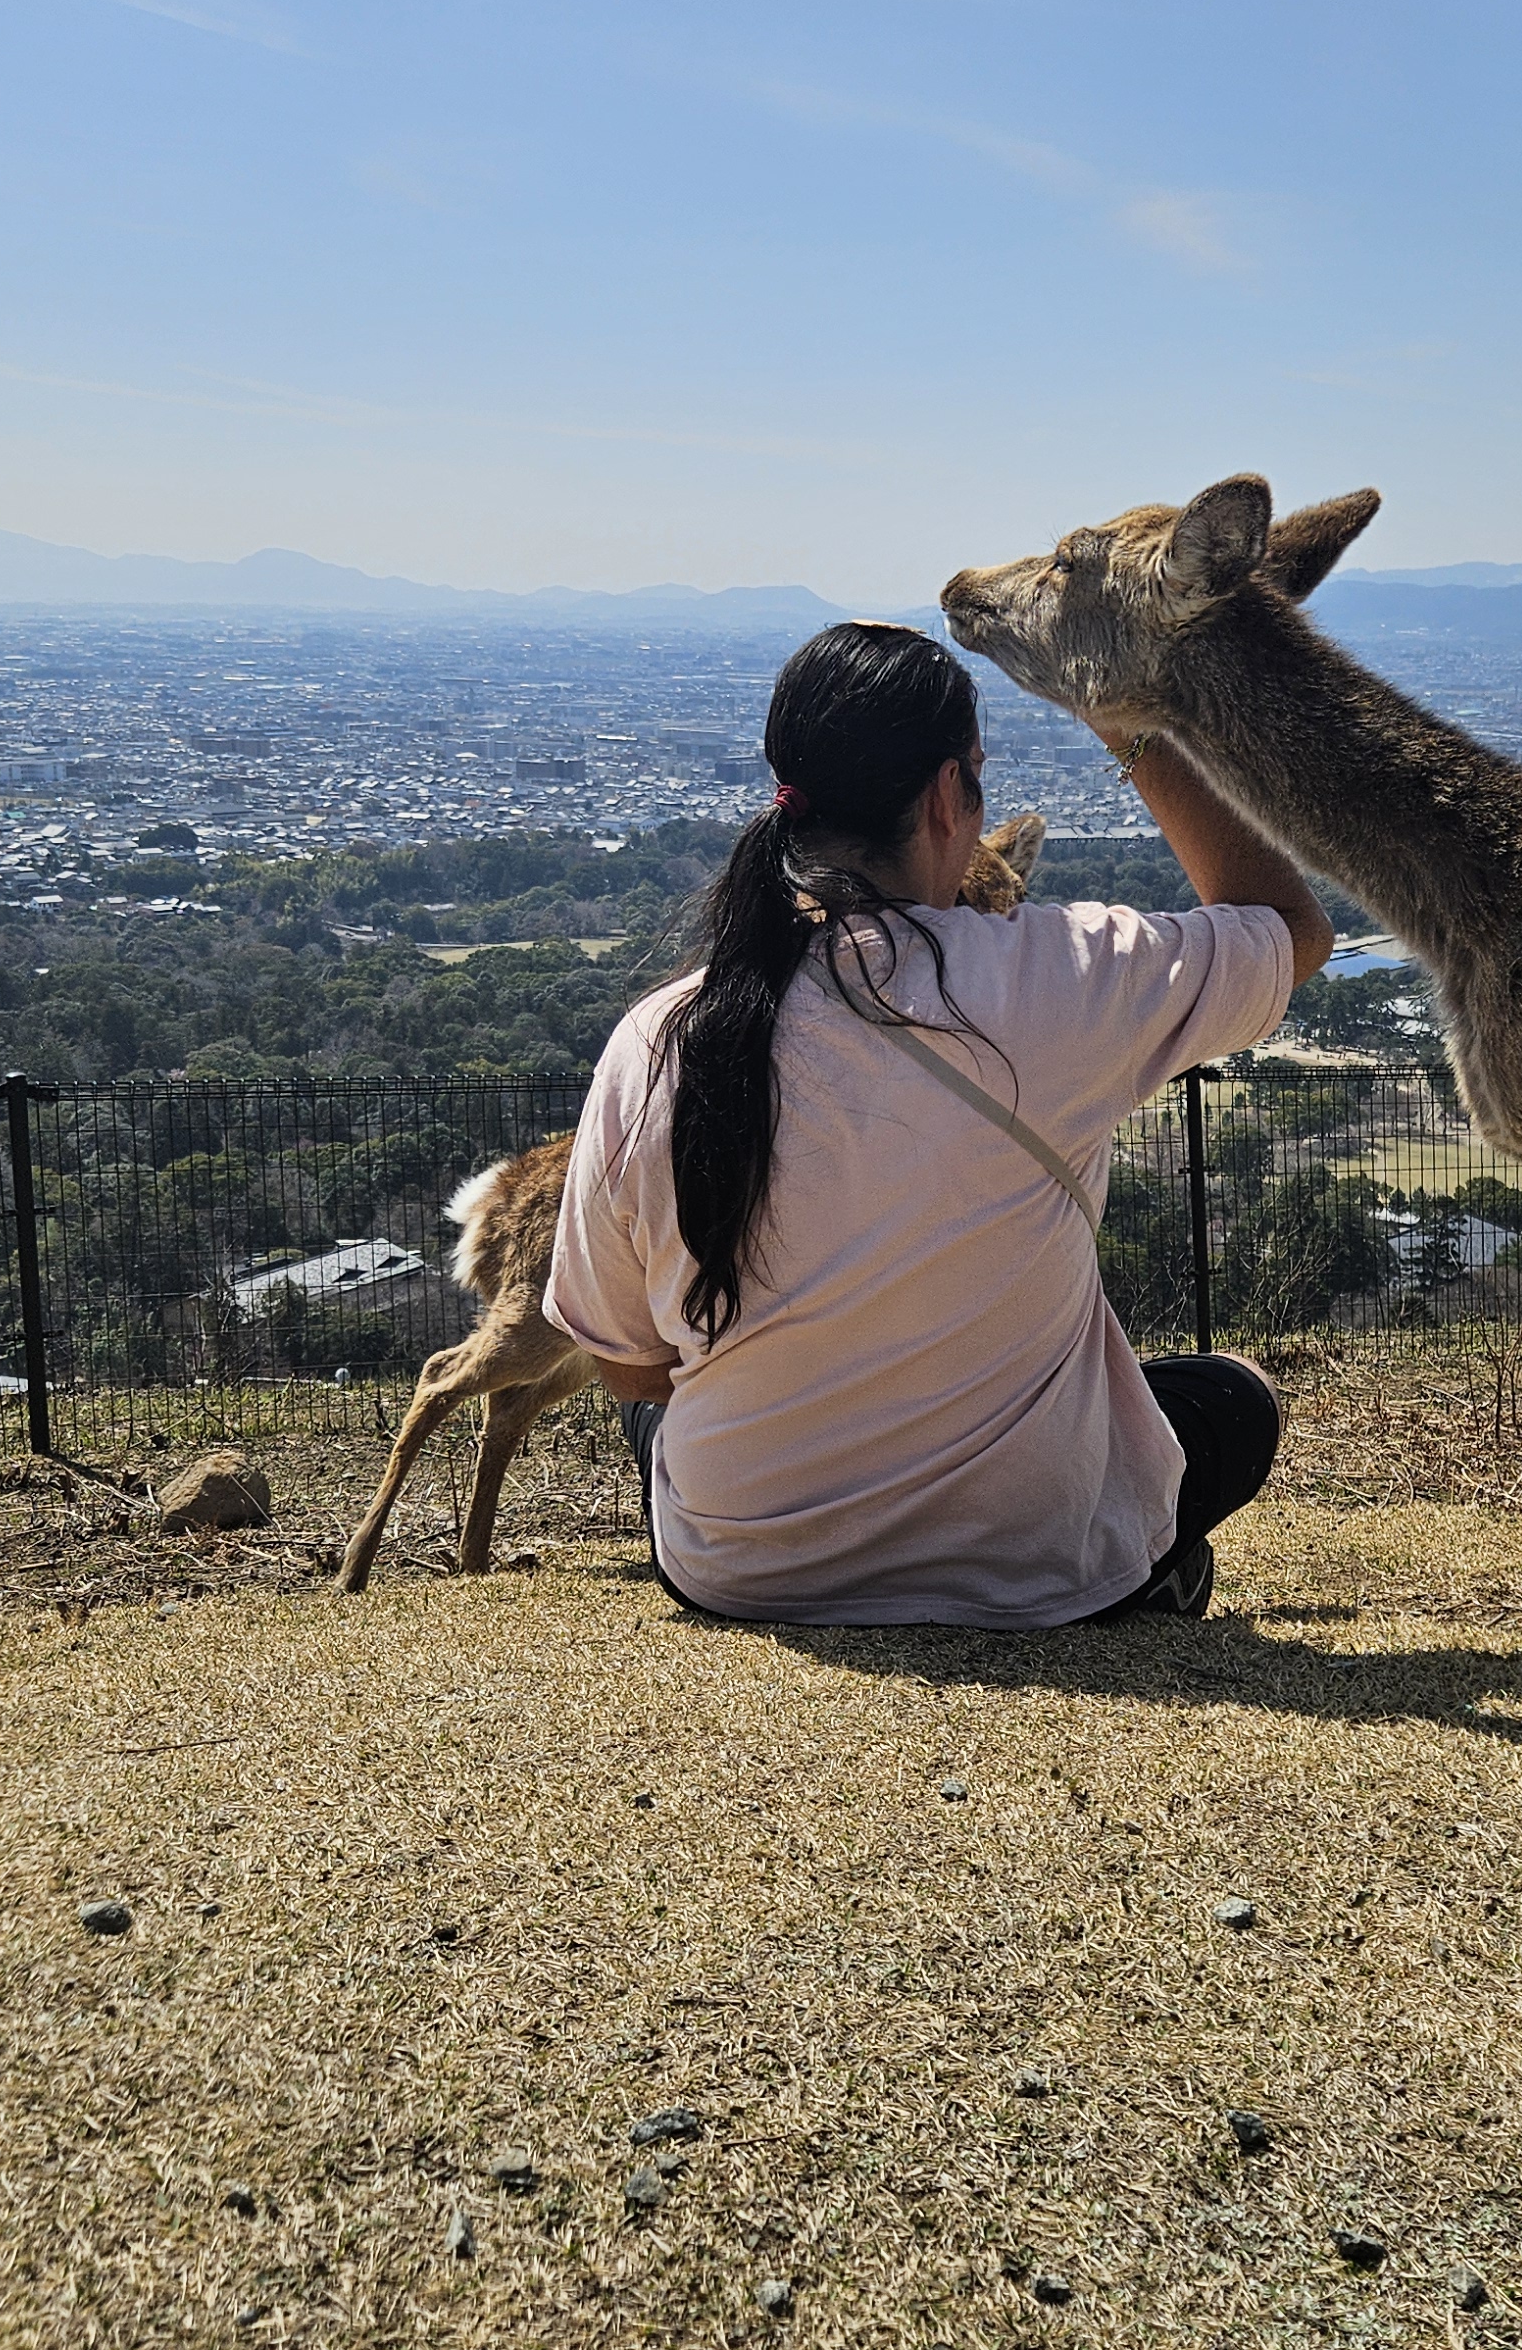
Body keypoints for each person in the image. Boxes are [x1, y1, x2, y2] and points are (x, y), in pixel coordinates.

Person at [545, 620, 1331, 1626]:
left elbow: (628, 1362)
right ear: (950, 797)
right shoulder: (1061, 980)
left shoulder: (661, 1036)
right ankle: (1148, 1567)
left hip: (744, 1564)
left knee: (657, 1420)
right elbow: (1287, 929)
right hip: (1036, 1560)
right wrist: (1128, 725)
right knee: (1233, 1399)